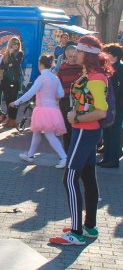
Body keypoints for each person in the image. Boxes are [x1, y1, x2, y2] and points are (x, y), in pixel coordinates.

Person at [49, 36, 111, 246]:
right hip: (83, 131)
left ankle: (76, 232)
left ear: (88, 54)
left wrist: (76, 117)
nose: (75, 54)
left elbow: (101, 112)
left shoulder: (95, 78)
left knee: (69, 178)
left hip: (84, 131)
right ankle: (89, 226)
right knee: (87, 178)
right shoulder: (92, 74)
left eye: (80, 51)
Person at [10, 55, 68, 168]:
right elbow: (61, 94)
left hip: (42, 110)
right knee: (37, 133)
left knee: (49, 134)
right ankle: (30, 155)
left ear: (40, 65)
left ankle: (64, 157)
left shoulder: (41, 78)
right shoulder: (55, 78)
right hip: (52, 109)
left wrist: (16, 102)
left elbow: (30, 93)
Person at [99, 43, 123, 168]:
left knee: (114, 132)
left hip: (116, 105)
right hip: (108, 104)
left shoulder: (120, 68)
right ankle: (106, 157)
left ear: (114, 55)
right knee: (107, 131)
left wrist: (112, 97)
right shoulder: (108, 67)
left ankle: (113, 160)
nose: (105, 55)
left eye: (107, 53)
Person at [57, 45, 83, 152]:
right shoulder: (62, 67)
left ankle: (76, 150)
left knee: (77, 125)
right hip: (66, 99)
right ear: (66, 56)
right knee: (66, 126)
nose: (72, 58)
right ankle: (67, 151)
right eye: (70, 56)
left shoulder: (82, 67)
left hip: (79, 100)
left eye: (74, 56)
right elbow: (59, 83)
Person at [0, 36, 24, 128]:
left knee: (13, 101)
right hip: (6, 80)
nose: (16, 45)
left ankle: (13, 120)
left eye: (18, 43)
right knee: (7, 100)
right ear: (10, 44)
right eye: (14, 43)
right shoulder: (6, 53)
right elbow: (2, 66)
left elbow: (16, 64)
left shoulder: (19, 53)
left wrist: (11, 57)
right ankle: (10, 119)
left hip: (15, 80)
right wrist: (9, 61)